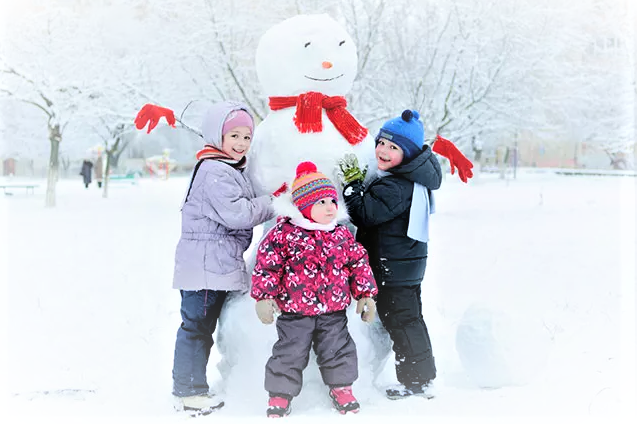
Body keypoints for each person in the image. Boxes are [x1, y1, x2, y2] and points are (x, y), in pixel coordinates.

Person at [169, 101, 287, 415]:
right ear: (216, 135)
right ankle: (189, 391)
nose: (241, 143)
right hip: (206, 268)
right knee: (197, 329)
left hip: (212, 264)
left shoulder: (225, 166)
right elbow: (239, 213)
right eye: (234, 135)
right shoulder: (215, 171)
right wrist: (275, 200)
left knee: (200, 328)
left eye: (247, 137)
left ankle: (189, 387)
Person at [251, 161, 378, 417]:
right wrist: (263, 297)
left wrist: (366, 294)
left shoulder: (341, 235)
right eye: (321, 202)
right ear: (303, 206)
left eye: (332, 201)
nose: (330, 207)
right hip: (295, 312)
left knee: (338, 349)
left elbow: (358, 263)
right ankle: (279, 394)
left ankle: (342, 388)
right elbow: (267, 266)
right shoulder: (284, 234)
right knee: (289, 352)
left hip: (333, 311)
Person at [338, 109, 443, 400]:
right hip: (402, 265)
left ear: (407, 154)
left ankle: (418, 380)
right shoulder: (404, 179)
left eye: (393, 147)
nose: (383, 150)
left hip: (393, 268)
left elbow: (364, 214)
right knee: (408, 320)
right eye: (381, 143)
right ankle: (421, 377)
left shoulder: (397, 186)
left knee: (403, 323)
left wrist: (352, 186)